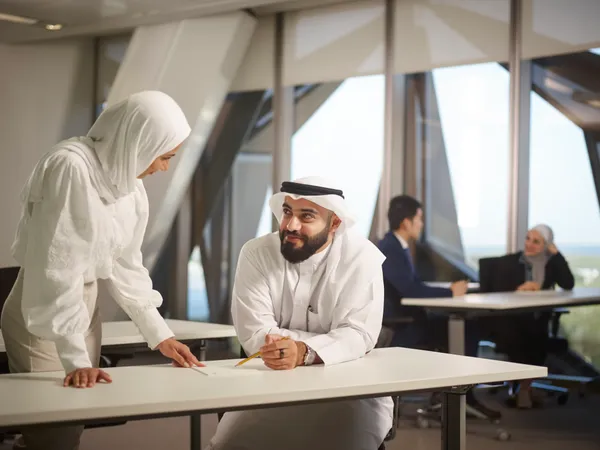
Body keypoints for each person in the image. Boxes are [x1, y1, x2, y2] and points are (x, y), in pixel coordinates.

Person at [0, 91, 203, 450]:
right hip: (43, 311)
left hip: (83, 310)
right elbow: (57, 269)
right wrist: (76, 358)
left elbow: (127, 265)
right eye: (164, 156)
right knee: (54, 433)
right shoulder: (70, 166)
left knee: (69, 425)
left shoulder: (127, 183)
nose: (163, 168)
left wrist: (160, 335)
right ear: (139, 140)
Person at [207, 176, 393, 450]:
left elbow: (360, 334)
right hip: (270, 380)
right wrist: (325, 343)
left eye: (306, 216)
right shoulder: (257, 253)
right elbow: (254, 333)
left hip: (347, 386)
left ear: (335, 223)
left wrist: (303, 351)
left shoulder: (362, 258)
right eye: (286, 213)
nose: (291, 226)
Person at [479, 224, 574, 408]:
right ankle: (524, 389)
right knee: (526, 337)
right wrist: (518, 290)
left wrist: (557, 254)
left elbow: (568, 283)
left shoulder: (550, 264)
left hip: (537, 319)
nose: (529, 244)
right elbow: (494, 292)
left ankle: (524, 388)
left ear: (546, 245)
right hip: (508, 319)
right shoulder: (510, 263)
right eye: (528, 239)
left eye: (536, 242)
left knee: (536, 335)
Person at [377, 195, 469, 350]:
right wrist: (450, 292)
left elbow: (414, 284)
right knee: (466, 328)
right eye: (419, 219)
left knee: (463, 325)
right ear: (406, 223)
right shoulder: (391, 248)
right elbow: (410, 290)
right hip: (402, 324)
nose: (421, 224)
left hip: (409, 320)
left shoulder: (397, 245)